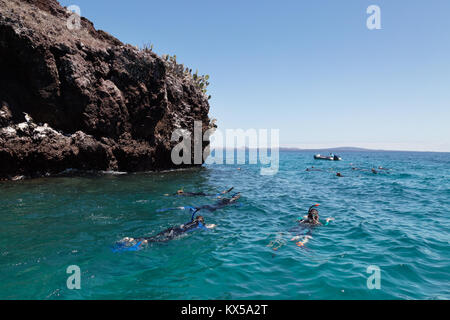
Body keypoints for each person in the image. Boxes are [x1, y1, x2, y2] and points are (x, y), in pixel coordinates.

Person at [114, 215, 217, 252]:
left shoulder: (191, 221)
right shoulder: (199, 225)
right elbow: (207, 227)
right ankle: (145, 241)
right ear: (201, 221)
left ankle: (131, 238)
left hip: (172, 228)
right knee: (165, 240)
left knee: (155, 236)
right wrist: (212, 226)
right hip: (179, 232)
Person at [166, 187, 234, 197]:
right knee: (210, 195)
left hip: (197, 194)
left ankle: (222, 193)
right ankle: (223, 193)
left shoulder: (182, 194)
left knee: (210, 195)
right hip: (198, 193)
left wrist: (168, 195)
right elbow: (173, 194)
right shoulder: (182, 193)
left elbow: (173, 195)